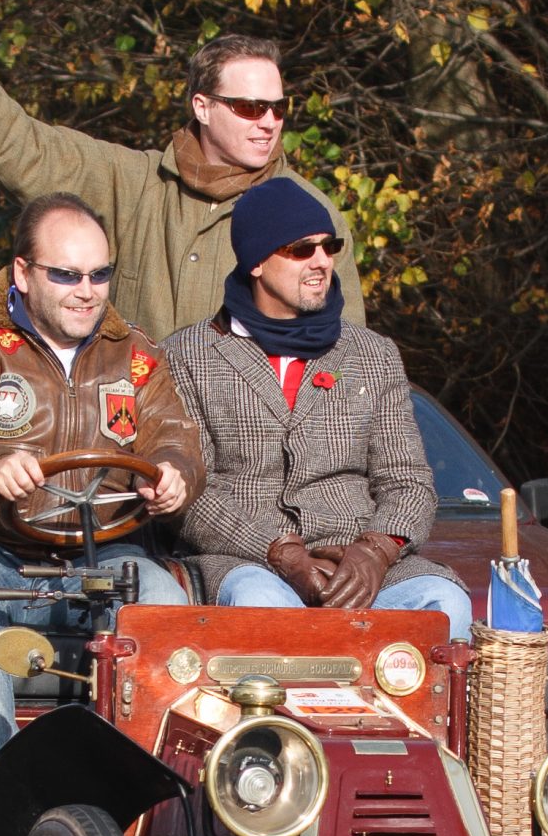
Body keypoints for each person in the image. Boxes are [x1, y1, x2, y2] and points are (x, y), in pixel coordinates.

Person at [0, 193, 202, 789]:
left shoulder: (133, 354)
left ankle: (155, 795)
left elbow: (176, 432)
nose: (87, 291)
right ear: (23, 274)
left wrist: (170, 470)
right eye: (66, 275)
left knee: (165, 602)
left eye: (99, 275)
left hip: (99, 551)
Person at [0, 0, 364, 345]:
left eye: (278, 107)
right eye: (251, 107)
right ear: (202, 106)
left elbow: (346, 360)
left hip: (249, 465)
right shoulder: (133, 182)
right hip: (134, 447)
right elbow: (26, 150)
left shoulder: (311, 215)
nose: (269, 121)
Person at [162, 178, 470, 641]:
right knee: (264, 606)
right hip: (248, 562)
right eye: (302, 249)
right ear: (258, 262)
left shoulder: (373, 354)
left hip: (362, 567)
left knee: (445, 605)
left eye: (329, 247)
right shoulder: (187, 355)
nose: (322, 261)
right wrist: (282, 553)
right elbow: (192, 494)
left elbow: (408, 481)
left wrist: (377, 550)